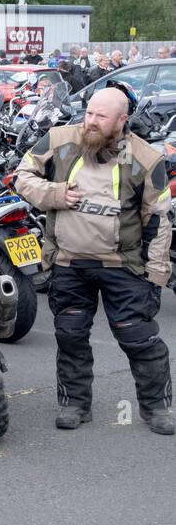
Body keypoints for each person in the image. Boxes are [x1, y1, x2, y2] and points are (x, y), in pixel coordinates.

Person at [15, 87, 173, 435]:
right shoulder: (59, 140)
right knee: (70, 336)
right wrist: (54, 195)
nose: (91, 121)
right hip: (69, 263)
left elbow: (159, 220)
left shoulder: (147, 158)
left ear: (121, 120)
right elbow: (22, 177)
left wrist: (157, 275)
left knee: (139, 338)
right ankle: (74, 404)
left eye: (101, 116)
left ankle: (157, 408)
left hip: (124, 266)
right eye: (89, 113)